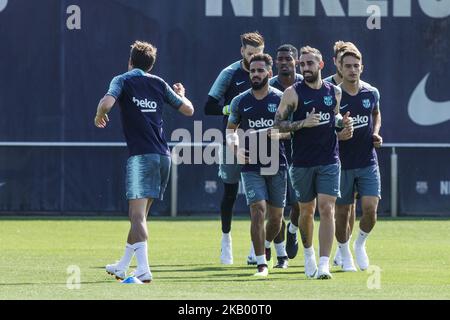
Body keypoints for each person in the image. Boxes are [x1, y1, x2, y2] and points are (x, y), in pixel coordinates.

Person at [95, 40, 194, 282]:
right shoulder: (158, 83)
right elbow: (189, 110)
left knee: (136, 217)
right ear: (150, 65)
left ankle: (144, 270)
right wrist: (182, 95)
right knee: (140, 217)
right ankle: (122, 266)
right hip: (163, 157)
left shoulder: (123, 79)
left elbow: (107, 103)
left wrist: (99, 114)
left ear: (130, 61)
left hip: (141, 157)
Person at [273, 46, 353, 279]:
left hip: (329, 159)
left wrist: (343, 126)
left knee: (327, 209)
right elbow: (277, 125)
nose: (305, 68)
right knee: (306, 211)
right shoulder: (291, 93)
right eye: (302, 64)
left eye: (309, 64)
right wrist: (302, 124)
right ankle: (309, 256)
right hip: (301, 162)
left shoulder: (334, 92)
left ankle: (325, 264)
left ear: (320, 65)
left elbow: (333, 120)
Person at [204, 32, 265, 265]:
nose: (253, 60)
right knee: (229, 193)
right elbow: (209, 106)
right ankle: (226, 241)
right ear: (242, 52)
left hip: (261, 144)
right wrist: (231, 110)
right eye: (250, 54)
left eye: (257, 54)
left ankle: (255, 247)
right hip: (231, 140)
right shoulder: (229, 73)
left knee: (260, 198)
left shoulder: (267, 72)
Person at [226, 53, 288, 276]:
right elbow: (230, 131)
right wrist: (236, 149)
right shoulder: (240, 101)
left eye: (260, 70)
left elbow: (291, 131)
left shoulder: (282, 98)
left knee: (276, 218)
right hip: (251, 166)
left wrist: (278, 135)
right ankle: (261, 262)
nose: (256, 74)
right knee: (258, 209)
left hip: (277, 164)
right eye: (252, 71)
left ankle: (267, 246)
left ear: (269, 73)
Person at [334, 47, 382, 271]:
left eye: (356, 66)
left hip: (367, 161)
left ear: (362, 67)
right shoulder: (333, 94)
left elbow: (376, 113)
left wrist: (376, 132)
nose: (353, 70)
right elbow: (325, 127)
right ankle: (344, 253)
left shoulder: (371, 93)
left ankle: (360, 244)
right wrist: (338, 133)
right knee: (342, 213)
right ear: (340, 68)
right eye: (348, 66)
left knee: (371, 209)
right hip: (341, 163)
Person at [323, 40, 359, 267]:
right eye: (342, 59)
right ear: (336, 62)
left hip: (355, 152)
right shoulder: (326, 87)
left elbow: (371, 112)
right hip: (331, 153)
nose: (350, 67)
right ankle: (339, 249)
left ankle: (342, 249)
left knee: (351, 205)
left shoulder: (360, 86)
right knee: (336, 206)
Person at [269, 44, 305, 268]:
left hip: (300, 150)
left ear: (296, 61)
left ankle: (293, 229)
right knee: (276, 207)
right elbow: (268, 125)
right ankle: (280, 254)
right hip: (273, 153)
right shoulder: (269, 86)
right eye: (280, 59)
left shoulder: (304, 85)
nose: (284, 62)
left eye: (288, 59)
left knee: (300, 203)